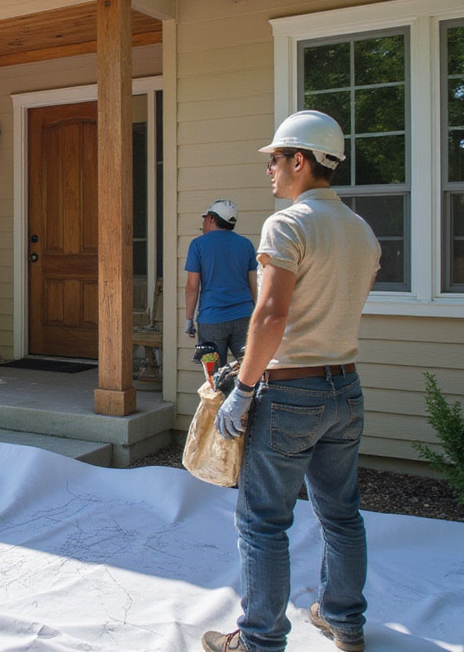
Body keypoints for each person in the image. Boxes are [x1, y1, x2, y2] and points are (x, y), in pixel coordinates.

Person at [202, 110, 381, 652]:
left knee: (263, 522)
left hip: (291, 394)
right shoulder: (361, 230)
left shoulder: (288, 224)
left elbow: (270, 316)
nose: (271, 171)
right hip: (345, 388)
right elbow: (350, 306)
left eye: (276, 159)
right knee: (341, 514)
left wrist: (246, 389)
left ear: (299, 160)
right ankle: (345, 623)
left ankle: (258, 640)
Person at [185, 199, 257, 364]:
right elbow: (253, 283)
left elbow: (192, 286)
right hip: (244, 317)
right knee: (249, 373)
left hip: (212, 319)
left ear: (210, 219)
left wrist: (189, 319)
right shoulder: (246, 245)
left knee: (214, 378)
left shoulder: (198, 245)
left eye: (205, 219)